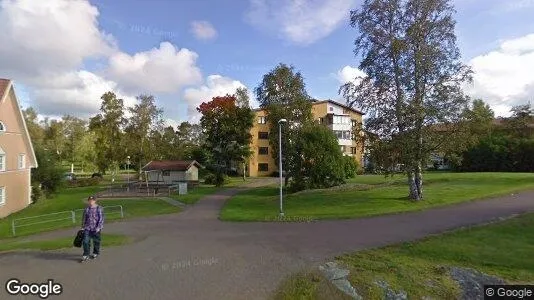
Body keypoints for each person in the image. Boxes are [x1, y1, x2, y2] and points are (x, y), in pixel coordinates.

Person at [80, 195, 104, 262]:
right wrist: (82, 227)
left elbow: (101, 219)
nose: (91, 202)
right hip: (87, 228)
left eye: (92, 200)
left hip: (96, 228)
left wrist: (99, 227)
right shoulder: (86, 209)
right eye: (90, 200)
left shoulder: (99, 208)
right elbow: (84, 219)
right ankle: (86, 254)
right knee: (85, 241)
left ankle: (95, 253)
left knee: (96, 241)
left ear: (95, 201)